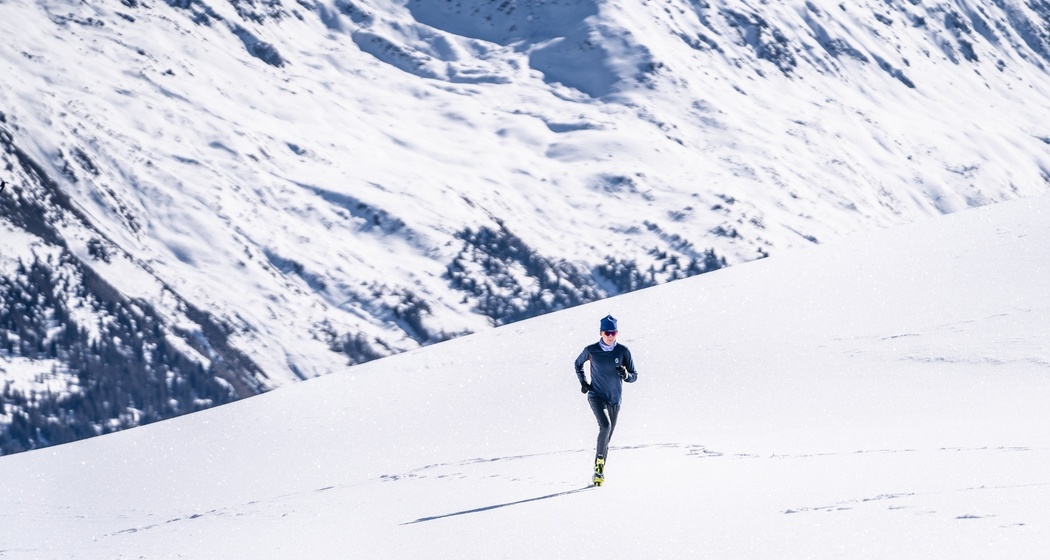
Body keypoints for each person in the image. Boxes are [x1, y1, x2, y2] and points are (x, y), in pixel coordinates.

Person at [574, 314, 638, 486]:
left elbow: (634, 376)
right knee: (605, 426)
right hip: (596, 396)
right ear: (601, 333)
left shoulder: (623, 351)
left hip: (615, 400)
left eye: (614, 333)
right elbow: (577, 364)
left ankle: (598, 472)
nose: (611, 336)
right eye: (607, 333)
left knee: (607, 437)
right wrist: (584, 382)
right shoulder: (591, 350)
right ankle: (600, 464)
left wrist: (626, 375)